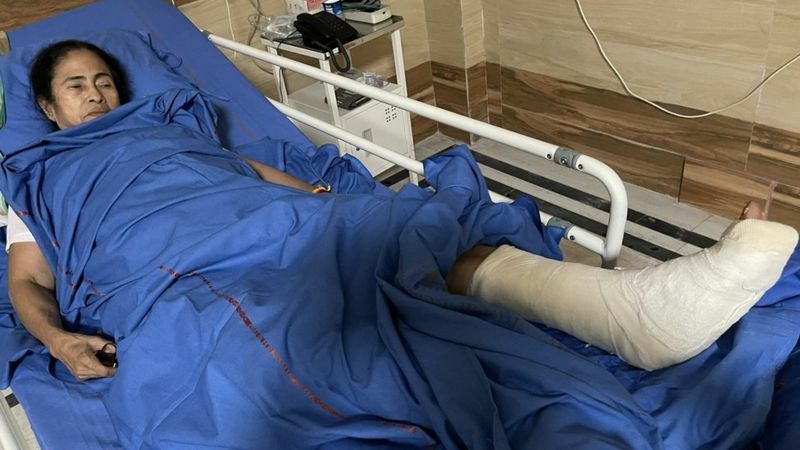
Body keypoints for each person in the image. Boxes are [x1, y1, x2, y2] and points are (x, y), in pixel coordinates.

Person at [6, 40, 798, 384]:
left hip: (244, 207)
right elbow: (27, 280)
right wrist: (57, 338)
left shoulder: (164, 126)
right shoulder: (43, 177)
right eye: (78, 86)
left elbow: (237, 168)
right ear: (47, 108)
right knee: (260, 319)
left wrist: (307, 194)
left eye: (105, 80)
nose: (98, 92)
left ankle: (630, 314)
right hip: (157, 252)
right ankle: (622, 318)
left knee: (382, 221)